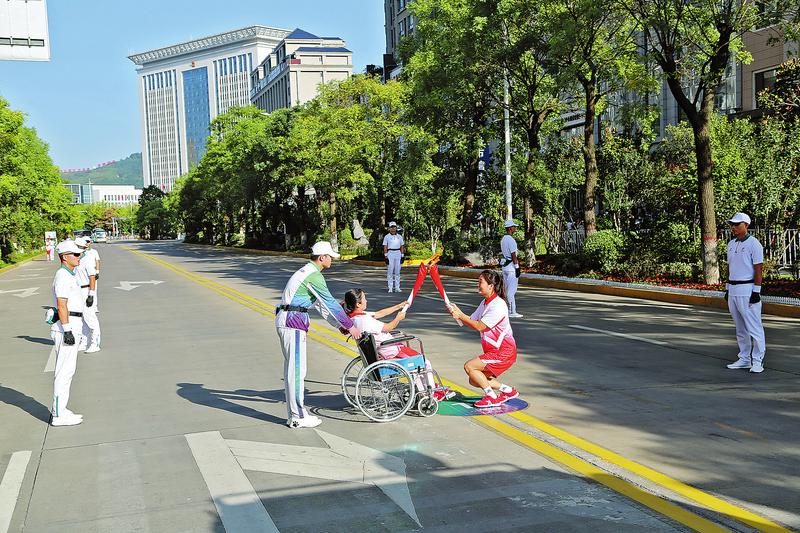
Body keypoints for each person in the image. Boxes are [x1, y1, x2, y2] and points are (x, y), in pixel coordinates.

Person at [275, 241, 362, 428]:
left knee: (294, 371)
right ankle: (298, 416)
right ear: (322, 257)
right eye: (330, 257)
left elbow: (320, 306)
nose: (332, 260)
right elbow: (330, 303)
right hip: (293, 321)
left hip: (290, 319)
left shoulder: (307, 272)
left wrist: (338, 326)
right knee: (297, 371)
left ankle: (295, 415)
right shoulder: (314, 275)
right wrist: (350, 326)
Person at [342, 289, 448, 400]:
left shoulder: (355, 318)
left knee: (416, 366)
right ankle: (431, 394)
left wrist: (398, 306)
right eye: (364, 298)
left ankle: (424, 390)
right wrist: (398, 318)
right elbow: (389, 327)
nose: (366, 301)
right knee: (424, 363)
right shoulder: (365, 320)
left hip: (382, 350)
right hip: (390, 349)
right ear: (358, 304)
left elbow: (379, 314)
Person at [447, 270, 519, 408]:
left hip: (503, 352)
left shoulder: (498, 305)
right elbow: (471, 320)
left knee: (469, 366)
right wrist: (457, 312)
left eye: (480, 282)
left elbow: (480, 326)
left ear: (491, 286)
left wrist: (460, 316)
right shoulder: (485, 303)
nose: (478, 285)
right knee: (474, 379)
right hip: (493, 352)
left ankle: (491, 397)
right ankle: (508, 391)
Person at [49, 240, 86, 426]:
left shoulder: (69, 274)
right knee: (64, 372)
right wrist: (67, 330)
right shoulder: (63, 276)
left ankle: (62, 409)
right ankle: (58, 415)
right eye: (76, 254)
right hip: (67, 326)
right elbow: (61, 304)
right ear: (65, 257)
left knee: (68, 371)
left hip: (73, 324)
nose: (79, 257)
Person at [724, 212, 766, 373]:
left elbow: (758, 269)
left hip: (747, 289)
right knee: (740, 328)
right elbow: (730, 267)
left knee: (754, 327)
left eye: (737, 224)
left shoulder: (754, 244)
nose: (733, 227)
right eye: (732, 224)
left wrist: (756, 291)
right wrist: (727, 288)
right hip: (733, 289)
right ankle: (744, 359)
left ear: (746, 225)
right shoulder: (731, 244)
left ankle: (757, 361)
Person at [75, 237, 101, 353]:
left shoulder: (87, 260)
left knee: (90, 318)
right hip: (78, 291)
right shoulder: (76, 261)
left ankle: (95, 343)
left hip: (86, 290)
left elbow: (92, 277)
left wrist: (91, 295)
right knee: (83, 319)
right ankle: (83, 342)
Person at [500, 219, 523, 318]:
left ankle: (510, 310)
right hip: (511, 268)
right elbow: (514, 255)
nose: (515, 228)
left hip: (505, 267)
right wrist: (517, 267)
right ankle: (510, 311)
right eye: (513, 226)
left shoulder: (503, 239)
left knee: (507, 289)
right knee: (511, 290)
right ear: (510, 228)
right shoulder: (511, 240)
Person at [382, 221, 405, 293]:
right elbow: (385, 246)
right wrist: (386, 256)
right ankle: (390, 287)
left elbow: (402, 246)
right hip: (390, 253)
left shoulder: (399, 237)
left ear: (396, 228)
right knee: (390, 271)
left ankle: (397, 287)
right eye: (391, 227)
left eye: (394, 227)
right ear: (389, 228)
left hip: (398, 253)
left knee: (397, 272)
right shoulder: (387, 237)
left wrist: (402, 255)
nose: (393, 229)